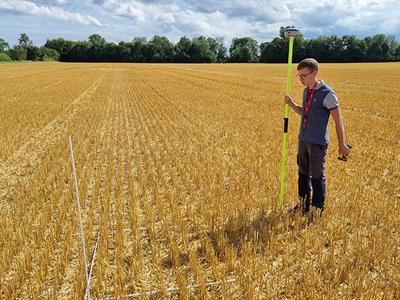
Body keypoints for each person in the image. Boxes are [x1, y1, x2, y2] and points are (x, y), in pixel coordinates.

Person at [284, 58, 350, 216]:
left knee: (317, 176)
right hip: (303, 140)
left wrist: (342, 145)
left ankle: (317, 209)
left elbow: (338, 121)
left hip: (317, 143)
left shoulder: (328, 94)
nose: (300, 79)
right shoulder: (306, 90)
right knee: (303, 174)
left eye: (303, 76)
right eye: (299, 76)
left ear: (314, 73)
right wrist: (292, 105)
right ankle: (303, 204)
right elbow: (305, 113)